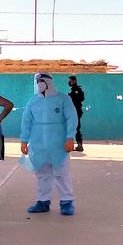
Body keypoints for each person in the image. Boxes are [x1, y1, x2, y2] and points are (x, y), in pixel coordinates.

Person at [20, 72, 79, 216]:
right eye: (37, 81)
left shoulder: (63, 99)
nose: (39, 83)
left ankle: (66, 202)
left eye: (42, 80)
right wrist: (24, 140)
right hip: (38, 144)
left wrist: (70, 138)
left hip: (59, 143)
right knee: (42, 174)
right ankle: (43, 201)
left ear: (49, 82)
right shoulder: (33, 101)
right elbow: (26, 121)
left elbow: (72, 118)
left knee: (61, 173)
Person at [67, 75, 86, 152]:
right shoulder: (74, 90)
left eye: (70, 81)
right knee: (74, 127)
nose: (69, 82)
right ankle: (77, 145)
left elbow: (80, 99)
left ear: (74, 81)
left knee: (76, 128)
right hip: (74, 110)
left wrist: (71, 97)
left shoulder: (77, 90)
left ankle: (79, 145)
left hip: (76, 110)